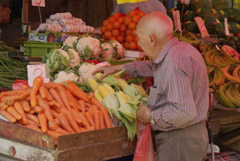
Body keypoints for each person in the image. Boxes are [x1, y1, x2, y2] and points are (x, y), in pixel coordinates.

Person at [94, 11, 209, 161]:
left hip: (179, 141)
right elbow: (156, 66)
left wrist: (150, 116)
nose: (139, 44)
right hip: (188, 136)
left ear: (152, 39)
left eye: (140, 40)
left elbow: (184, 112)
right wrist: (121, 68)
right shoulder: (180, 50)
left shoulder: (174, 65)